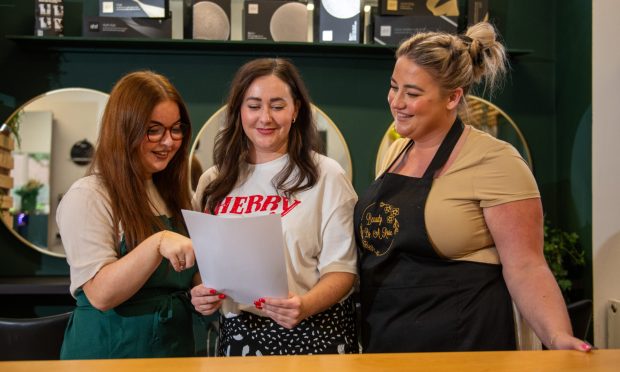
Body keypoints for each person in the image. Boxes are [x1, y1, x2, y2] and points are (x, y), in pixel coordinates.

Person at [355, 22, 591, 353]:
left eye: (412, 93)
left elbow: (527, 266)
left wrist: (556, 337)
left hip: (464, 343)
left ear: (453, 97)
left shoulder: (496, 162)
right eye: (394, 87)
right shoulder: (396, 152)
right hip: (389, 339)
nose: (396, 101)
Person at [190, 58, 358, 356]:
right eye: (253, 106)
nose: (265, 117)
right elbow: (205, 266)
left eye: (278, 106)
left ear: (296, 111)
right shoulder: (213, 182)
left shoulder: (327, 175)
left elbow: (342, 270)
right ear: (239, 111)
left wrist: (304, 307)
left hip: (314, 333)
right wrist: (203, 293)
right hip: (238, 336)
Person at [57, 71, 199, 359]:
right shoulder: (89, 195)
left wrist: (203, 292)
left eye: (176, 129)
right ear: (124, 129)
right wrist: (157, 242)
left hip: (172, 349)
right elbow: (101, 294)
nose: (169, 142)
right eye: (153, 130)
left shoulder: (176, 194)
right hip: (109, 352)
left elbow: (189, 272)